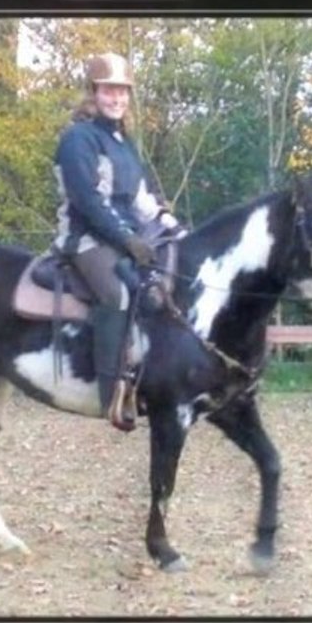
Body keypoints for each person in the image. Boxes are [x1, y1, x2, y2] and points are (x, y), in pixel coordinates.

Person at [52, 52, 182, 431]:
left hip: (126, 237)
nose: (117, 98)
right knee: (118, 294)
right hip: (85, 239)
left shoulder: (123, 141)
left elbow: (140, 198)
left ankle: (150, 374)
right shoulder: (78, 139)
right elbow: (88, 201)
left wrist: (171, 226)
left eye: (122, 91)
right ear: (93, 92)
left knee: (160, 287)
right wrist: (127, 239)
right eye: (109, 90)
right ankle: (109, 393)